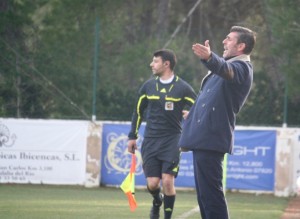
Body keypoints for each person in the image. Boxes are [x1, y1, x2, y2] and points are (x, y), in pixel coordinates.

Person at [178, 26, 256, 219]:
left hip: (211, 139)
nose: (224, 41)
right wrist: (193, 114)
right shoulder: (225, 68)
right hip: (204, 138)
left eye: (229, 39)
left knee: (211, 197)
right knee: (205, 196)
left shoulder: (241, 68)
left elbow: (226, 70)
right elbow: (212, 101)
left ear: (241, 46)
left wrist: (209, 57)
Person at [127, 49, 197, 219]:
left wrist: (191, 114)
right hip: (151, 140)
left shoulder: (183, 88)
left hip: (172, 140)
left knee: (167, 180)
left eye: (155, 61)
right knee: (152, 184)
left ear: (166, 64)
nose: (152, 64)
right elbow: (138, 112)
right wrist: (132, 136)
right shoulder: (148, 86)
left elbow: (199, 106)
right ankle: (157, 201)